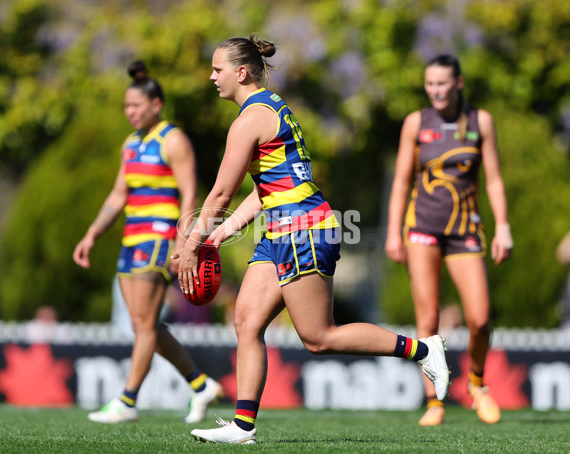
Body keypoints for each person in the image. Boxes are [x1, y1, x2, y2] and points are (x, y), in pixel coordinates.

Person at [173, 36, 450, 445]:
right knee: (247, 322)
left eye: (217, 69)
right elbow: (264, 188)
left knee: (319, 337)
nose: (212, 77)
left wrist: (192, 246)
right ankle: (242, 427)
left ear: (241, 72)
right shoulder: (273, 106)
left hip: (303, 228)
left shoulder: (248, 120)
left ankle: (424, 351)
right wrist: (221, 231)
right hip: (280, 229)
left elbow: (219, 194)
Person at [73, 60, 223, 424]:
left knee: (142, 324)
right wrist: (92, 233)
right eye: (126, 106)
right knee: (145, 324)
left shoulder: (173, 140)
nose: (130, 112)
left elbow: (190, 196)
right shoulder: (131, 144)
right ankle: (201, 385)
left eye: (135, 106)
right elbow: (117, 195)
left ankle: (126, 401)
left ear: (156, 105)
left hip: (158, 238)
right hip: (130, 239)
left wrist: (184, 243)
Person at [385, 54, 513, 426]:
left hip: (465, 230)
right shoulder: (415, 123)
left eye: (442, 83)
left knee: (480, 318)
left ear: (458, 83)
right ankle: (434, 401)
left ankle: (476, 384)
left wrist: (502, 225)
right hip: (421, 227)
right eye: (430, 84)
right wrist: (394, 231)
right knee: (428, 318)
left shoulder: (480, 121)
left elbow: (493, 180)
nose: (435, 90)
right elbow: (400, 183)